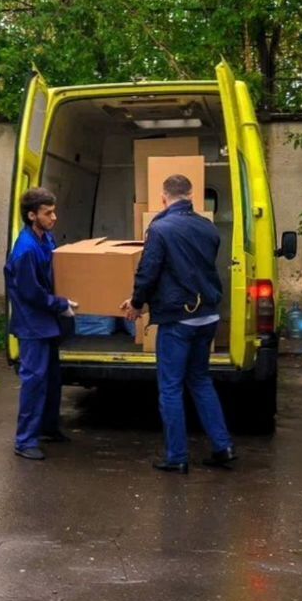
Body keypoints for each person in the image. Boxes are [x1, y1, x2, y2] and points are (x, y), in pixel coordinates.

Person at [121, 174, 235, 473]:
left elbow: (148, 271)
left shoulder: (160, 229)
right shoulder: (208, 227)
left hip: (178, 318)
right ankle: (223, 447)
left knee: (170, 387)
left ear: (163, 197)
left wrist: (135, 303)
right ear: (191, 195)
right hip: (208, 315)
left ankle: (177, 457)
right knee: (200, 381)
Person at [4, 187, 77, 461]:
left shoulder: (45, 238)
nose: (54, 217)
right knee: (34, 381)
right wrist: (61, 304)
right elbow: (31, 293)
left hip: (47, 324)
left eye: (53, 211)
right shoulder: (25, 251)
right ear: (32, 215)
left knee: (52, 379)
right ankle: (25, 441)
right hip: (33, 326)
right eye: (48, 213)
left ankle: (47, 428)